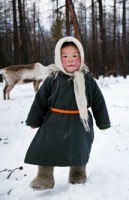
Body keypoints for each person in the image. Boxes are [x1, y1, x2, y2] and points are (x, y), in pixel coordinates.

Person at [24, 36, 110, 190]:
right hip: (54, 121)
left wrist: (103, 121)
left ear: (81, 57)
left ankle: (77, 173)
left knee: (79, 148)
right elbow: (40, 101)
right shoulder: (52, 78)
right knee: (46, 147)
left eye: (74, 56)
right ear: (58, 58)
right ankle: (44, 176)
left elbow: (98, 102)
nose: (70, 60)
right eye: (65, 56)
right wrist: (34, 120)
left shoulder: (87, 80)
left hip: (79, 122)